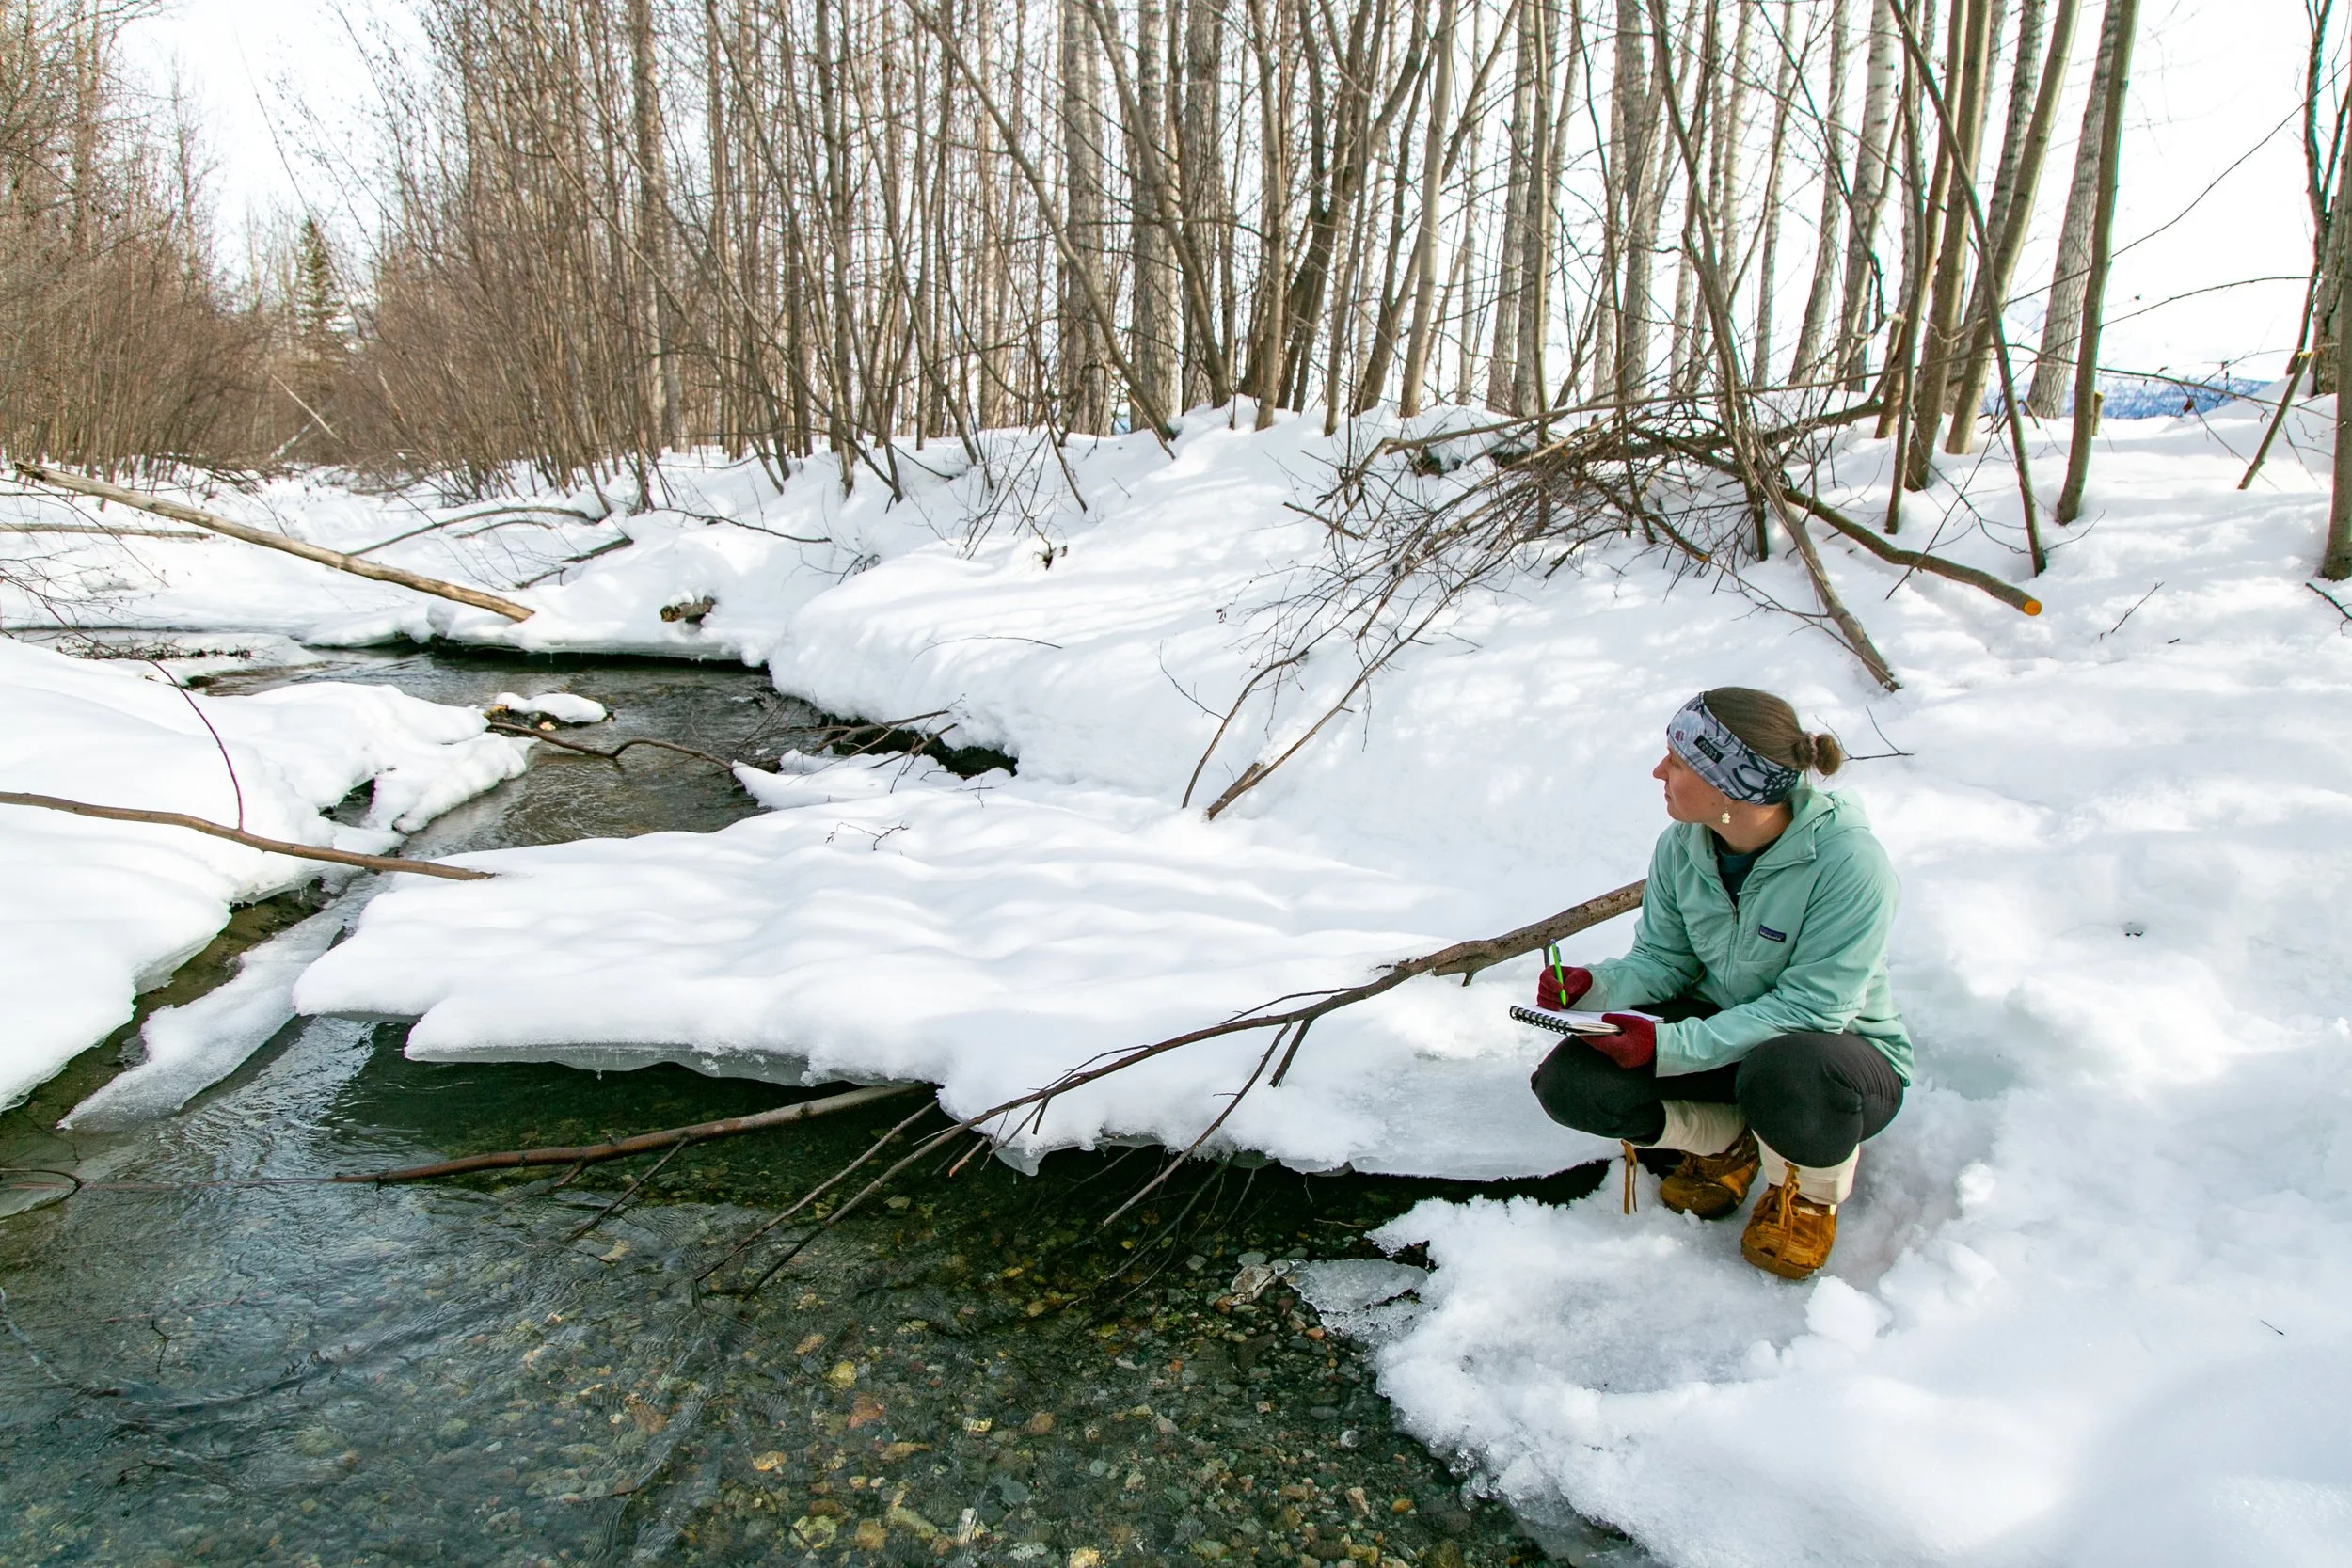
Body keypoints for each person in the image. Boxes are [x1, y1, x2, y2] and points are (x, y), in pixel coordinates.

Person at [1527, 688, 1910, 1280]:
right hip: (1727, 1040)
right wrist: (1594, 988)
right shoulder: (1682, 846)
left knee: (1786, 1072)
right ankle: (1730, 1145)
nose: (1659, 772)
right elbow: (1664, 960)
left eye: (1678, 762)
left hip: (1833, 1062)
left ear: (1730, 784)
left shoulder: (1848, 863)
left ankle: (1805, 1196)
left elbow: (1813, 1009)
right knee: (1572, 1083)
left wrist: (1668, 1046)